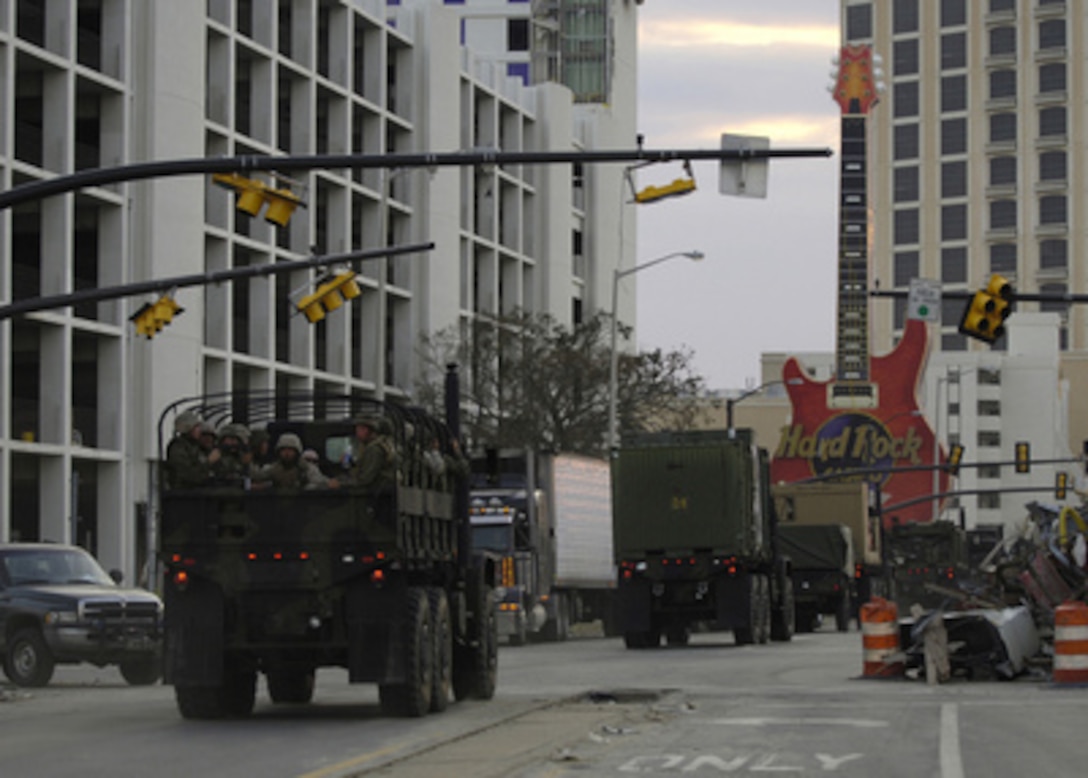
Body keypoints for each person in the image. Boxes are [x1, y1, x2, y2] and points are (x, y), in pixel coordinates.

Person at [254, 432, 338, 490]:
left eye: (290, 450)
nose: (287, 453)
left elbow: (319, 481)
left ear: (297, 452)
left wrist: (328, 484)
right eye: (283, 450)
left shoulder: (306, 468)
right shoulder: (273, 469)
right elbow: (257, 477)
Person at [343, 415, 398, 494]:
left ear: (365, 430)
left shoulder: (374, 449)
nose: (356, 433)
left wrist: (341, 483)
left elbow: (365, 479)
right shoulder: (371, 446)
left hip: (377, 494)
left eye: (358, 429)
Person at [165, 410, 220, 488]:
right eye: (196, 427)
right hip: (185, 493)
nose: (200, 430)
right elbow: (188, 475)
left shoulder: (196, 446)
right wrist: (209, 462)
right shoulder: (178, 447)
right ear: (188, 428)